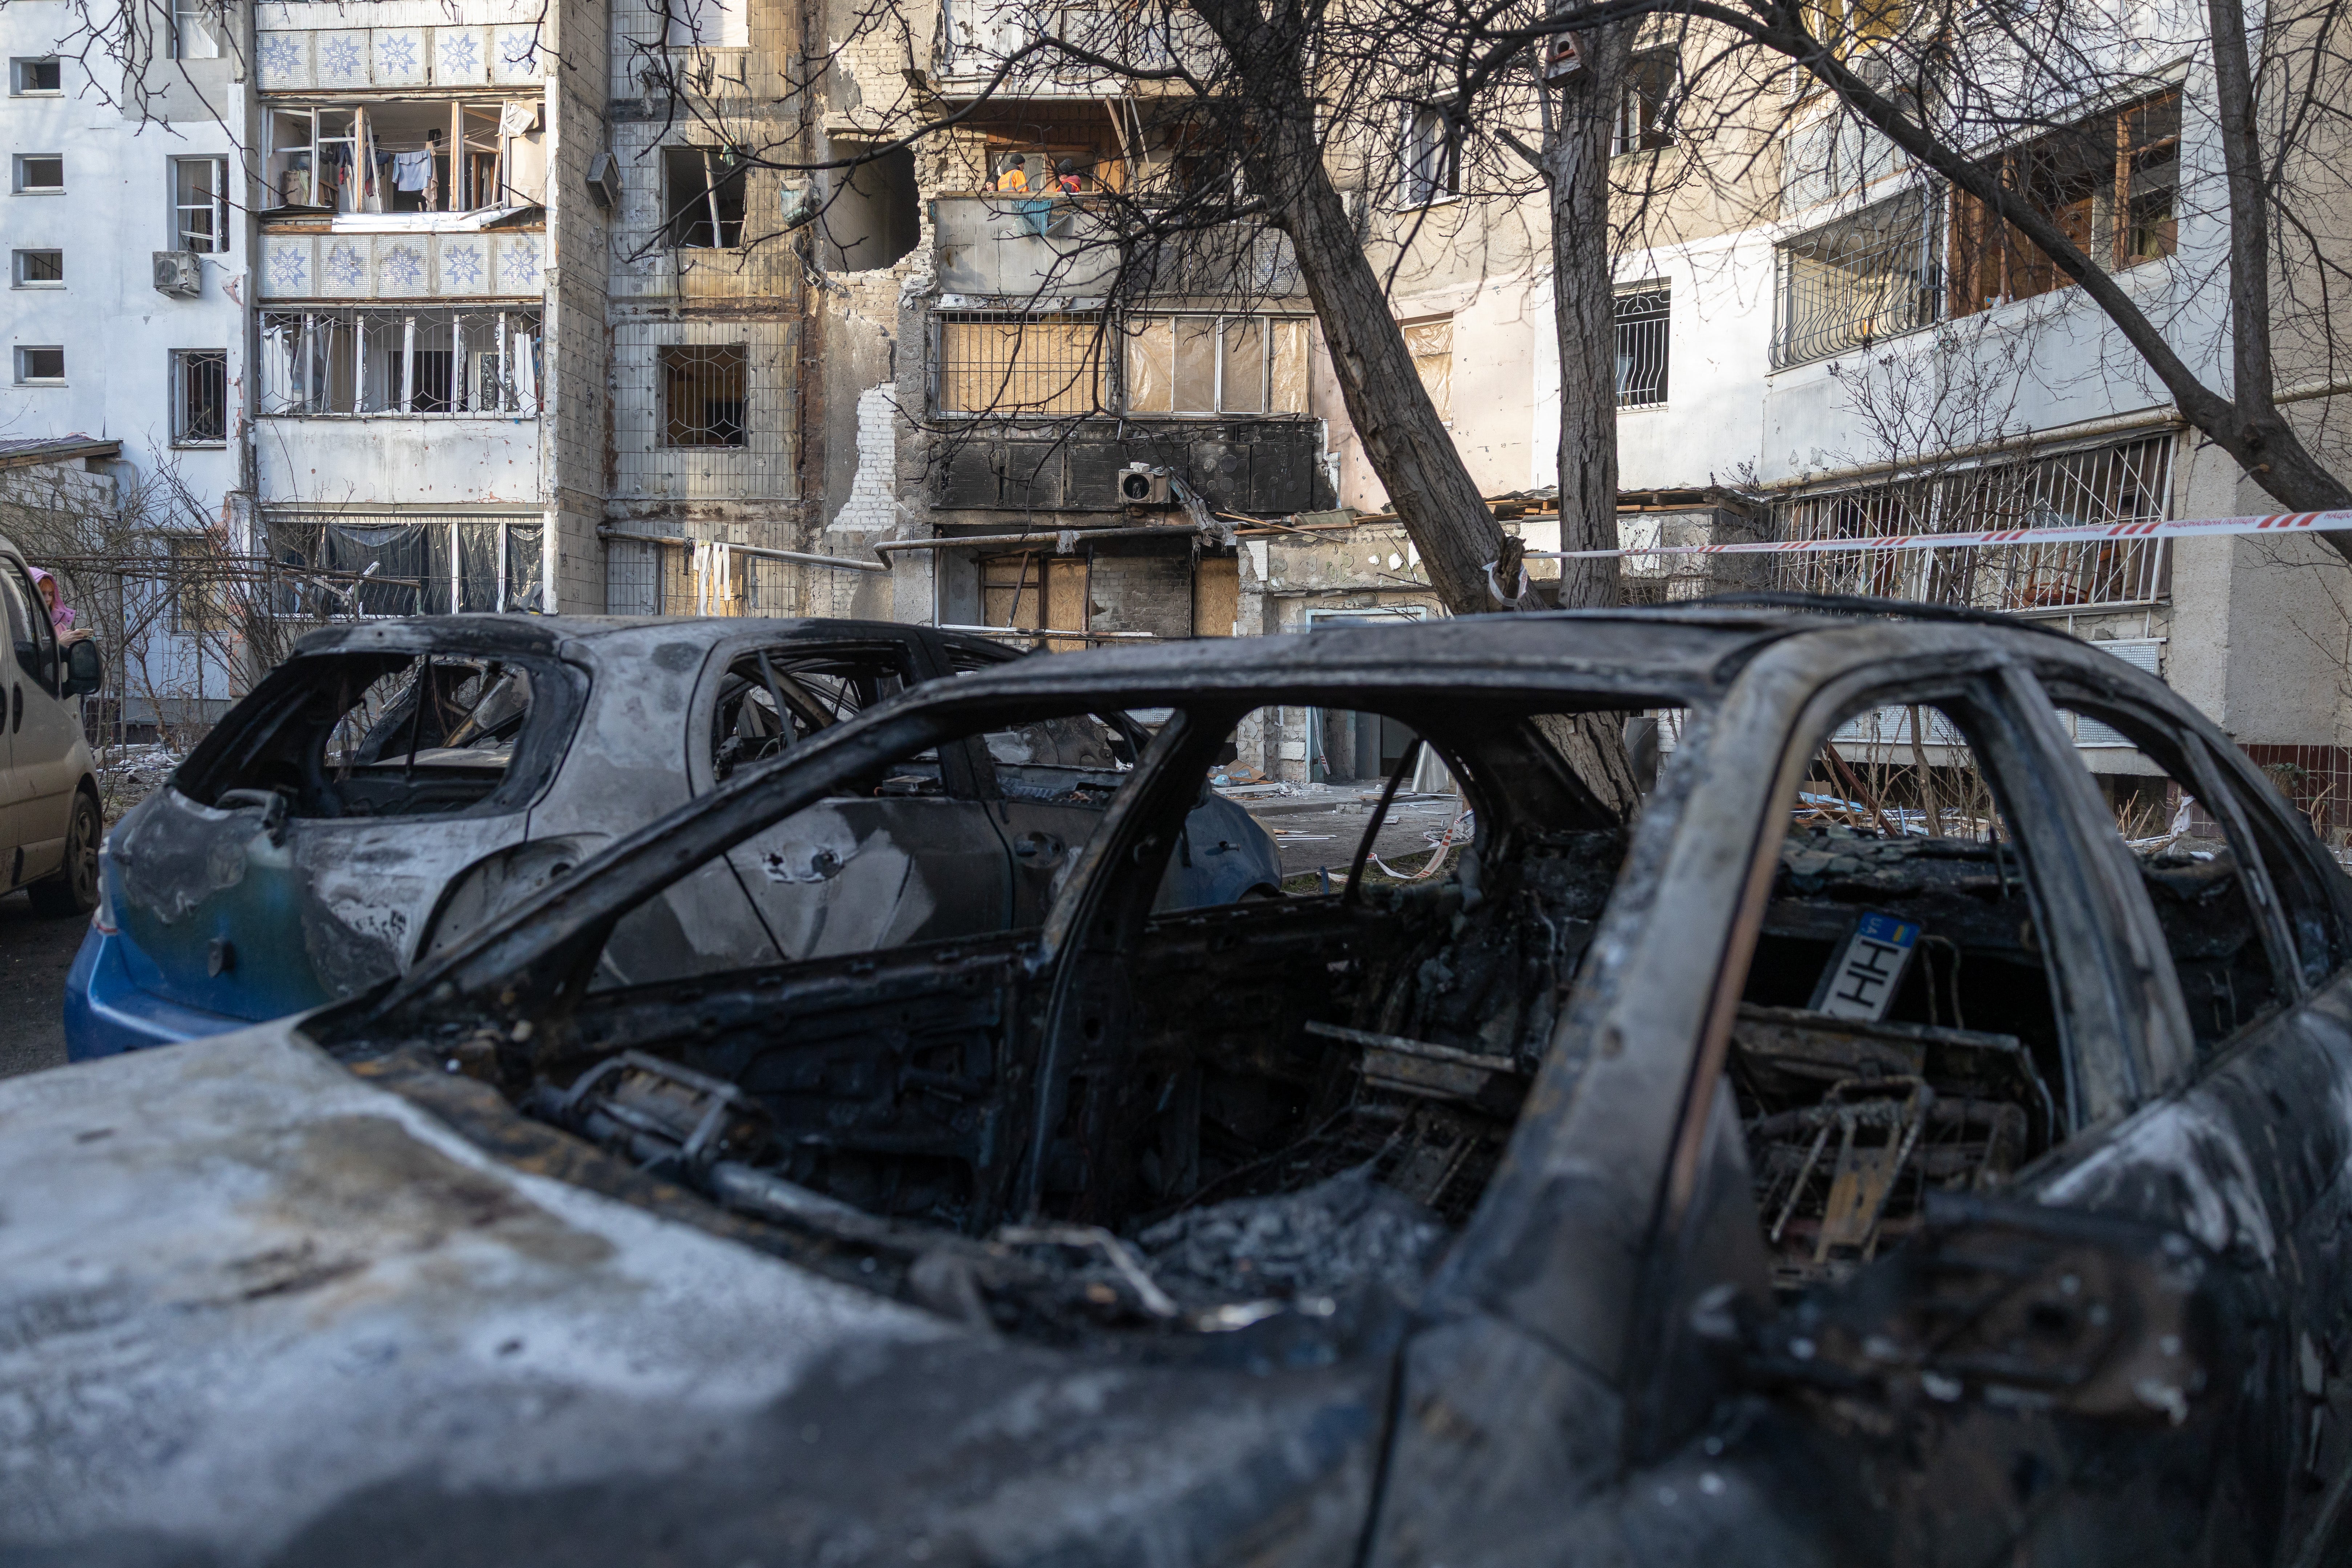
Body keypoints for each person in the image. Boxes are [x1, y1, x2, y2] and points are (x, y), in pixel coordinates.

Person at [31, 569, 93, 647]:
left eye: (51, 594)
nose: (48, 599)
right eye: (42, 593)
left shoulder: (59, 626)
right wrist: (60, 644)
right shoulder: (23, 624)